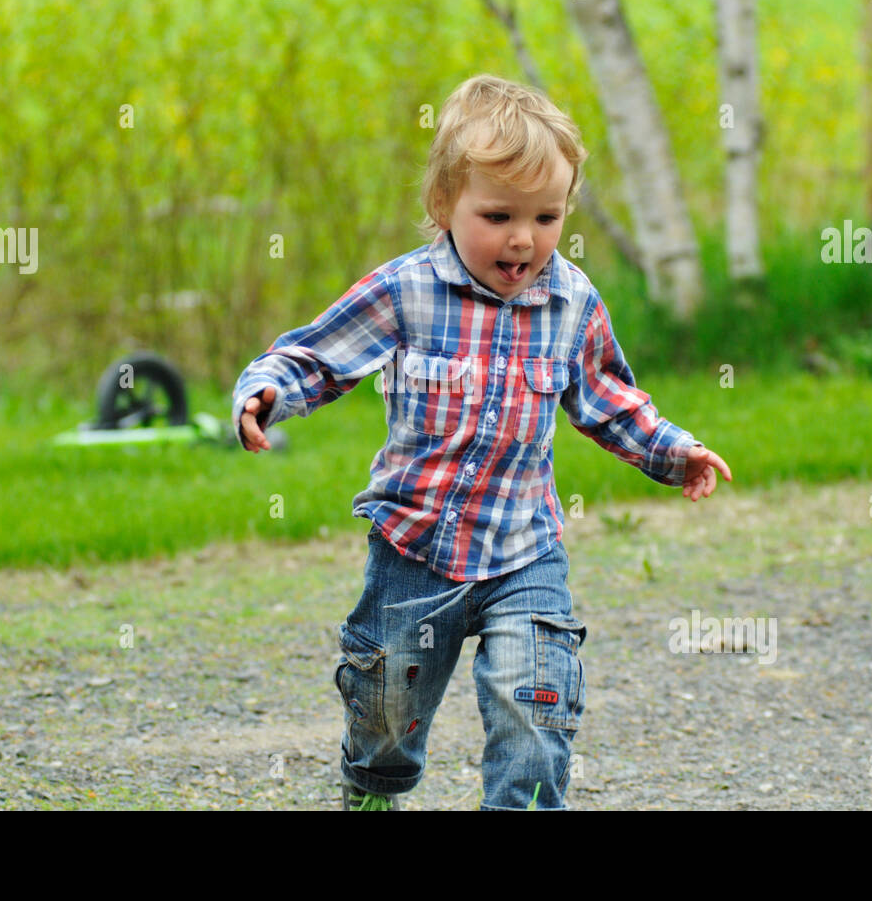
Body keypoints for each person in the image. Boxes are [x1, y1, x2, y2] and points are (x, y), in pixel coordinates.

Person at [232, 74, 732, 810]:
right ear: (444, 206)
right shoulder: (406, 289)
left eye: (547, 216)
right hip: (415, 548)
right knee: (385, 716)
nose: (524, 238)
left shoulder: (571, 301)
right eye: (498, 215)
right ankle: (371, 791)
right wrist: (268, 394)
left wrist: (672, 449)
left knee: (535, 699)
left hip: (524, 548)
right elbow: (319, 353)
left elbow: (608, 396)